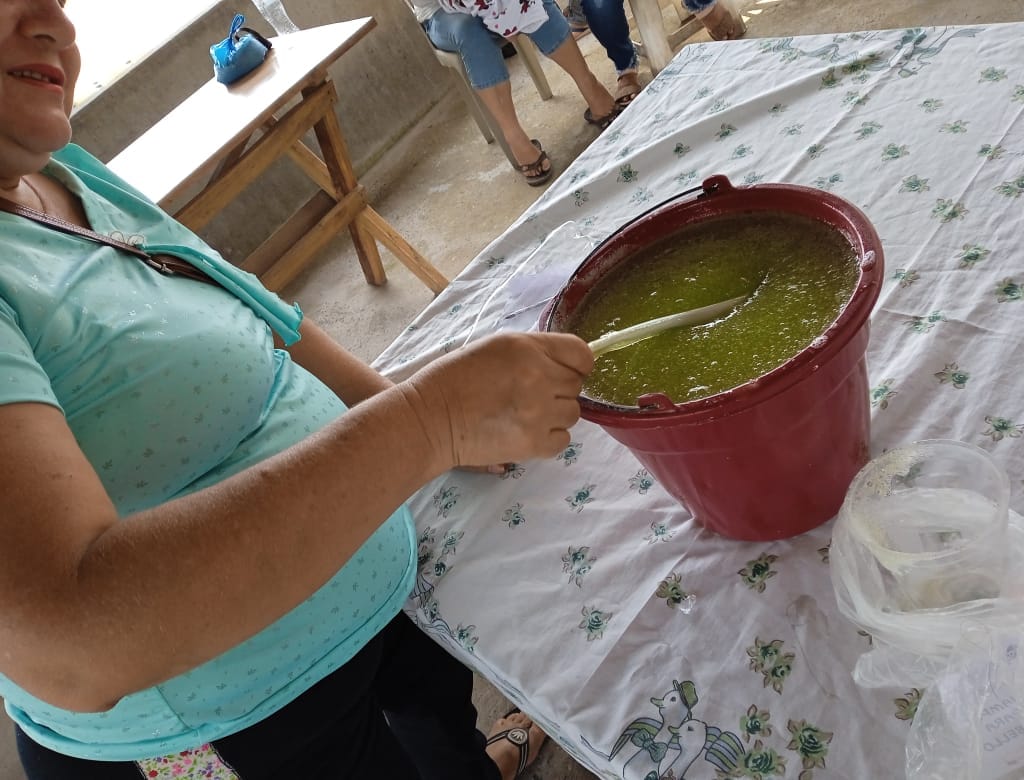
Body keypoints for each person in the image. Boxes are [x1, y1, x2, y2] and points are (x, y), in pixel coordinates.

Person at [0, 1, 595, 778]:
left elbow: (256, 307)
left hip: (364, 586)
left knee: (440, 723)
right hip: (244, 719)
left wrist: (398, 408)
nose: (55, 21)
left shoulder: (56, 168)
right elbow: (73, 644)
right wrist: (428, 424)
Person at [411, 0, 623, 186]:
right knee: (469, 31)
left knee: (535, 2)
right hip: (441, 13)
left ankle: (591, 87)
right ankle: (514, 135)